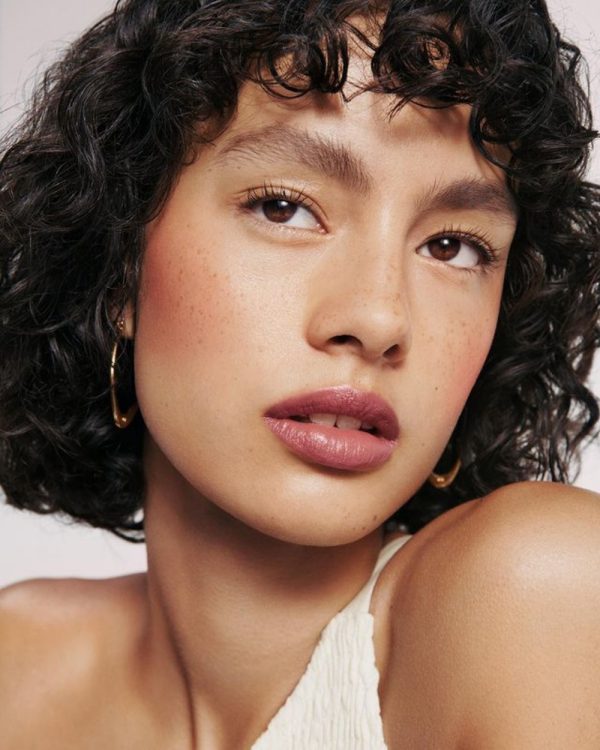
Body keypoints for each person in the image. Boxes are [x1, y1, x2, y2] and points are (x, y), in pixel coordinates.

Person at [1, 0, 599, 747]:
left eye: (454, 247)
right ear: (120, 269)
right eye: (284, 208)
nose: (379, 318)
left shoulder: (538, 589)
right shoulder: (18, 674)